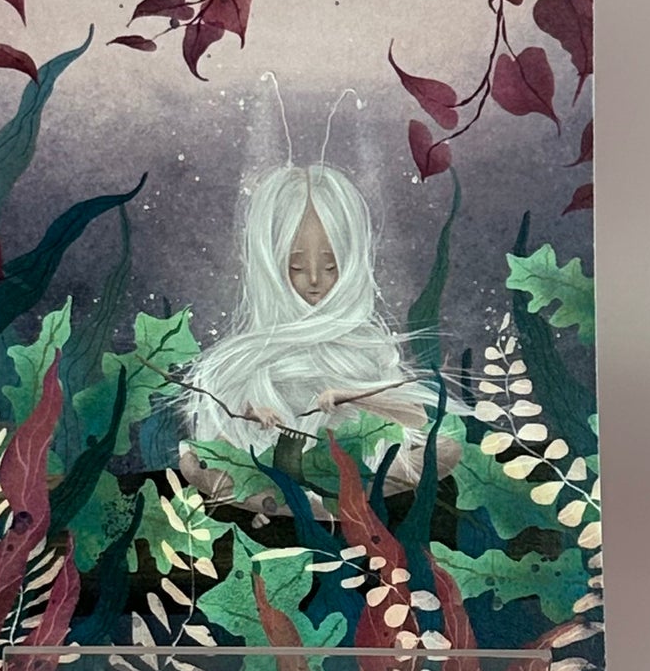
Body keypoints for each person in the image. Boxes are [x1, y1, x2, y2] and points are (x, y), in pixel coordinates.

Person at [175, 158, 461, 513]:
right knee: (195, 461)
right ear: (271, 265)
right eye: (296, 267)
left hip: (354, 469)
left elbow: (413, 418)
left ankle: (321, 499)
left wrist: (351, 398)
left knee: (446, 450)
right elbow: (225, 426)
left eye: (330, 266)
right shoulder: (246, 356)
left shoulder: (366, 346)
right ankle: (296, 500)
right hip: (275, 470)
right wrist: (254, 412)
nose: (314, 280)